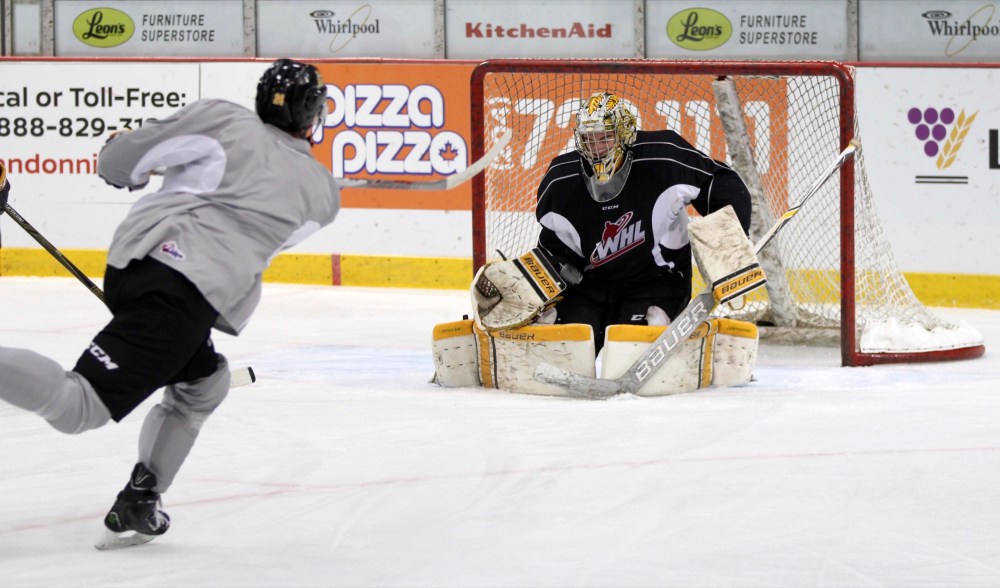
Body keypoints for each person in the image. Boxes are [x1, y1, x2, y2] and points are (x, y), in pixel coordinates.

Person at [0, 59, 339, 548]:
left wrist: (119, 148)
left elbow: (118, 165)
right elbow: (268, 236)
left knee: (205, 382)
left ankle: (141, 498)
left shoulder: (222, 119)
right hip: (184, 292)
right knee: (81, 407)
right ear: (314, 114)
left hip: (140, 267)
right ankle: (141, 499)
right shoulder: (322, 195)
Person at [530, 92, 753, 351]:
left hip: (658, 282)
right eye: (589, 140)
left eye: (605, 137)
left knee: (633, 348)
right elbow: (554, 249)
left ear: (624, 133)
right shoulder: (560, 181)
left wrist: (729, 240)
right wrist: (542, 284)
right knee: (563, 346)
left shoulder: (664, 157)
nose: (598, 149)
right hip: (592, 288)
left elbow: (720, 180)